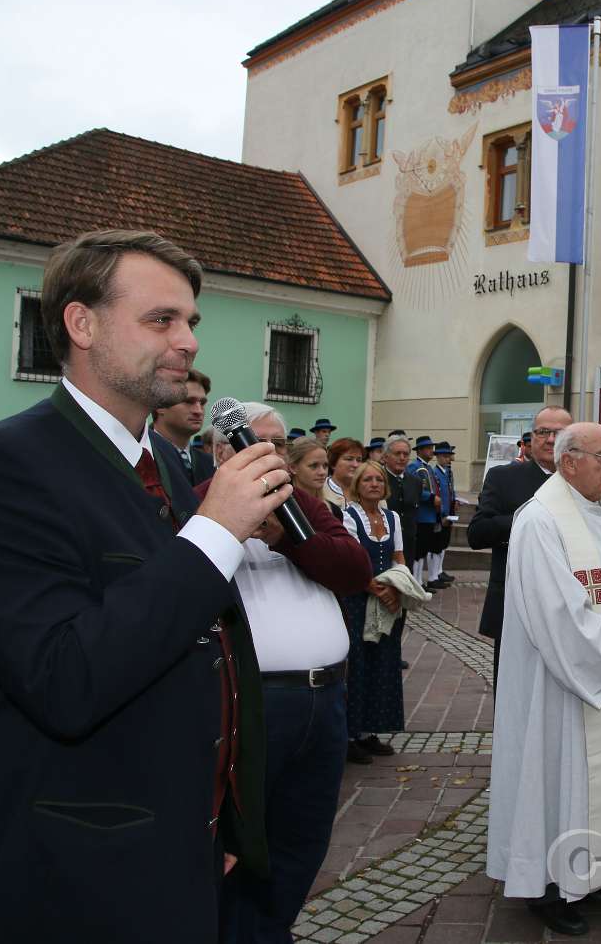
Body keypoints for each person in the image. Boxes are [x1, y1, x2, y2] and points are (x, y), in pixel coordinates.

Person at [0, 229, 290, 941]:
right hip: (74, 871)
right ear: (82, 323)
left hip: (182, 846)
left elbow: (210, 646)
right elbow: (64, 679)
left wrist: (225, 817)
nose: (187, 341)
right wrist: (216, 533)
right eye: (162, 320)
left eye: (191, 321)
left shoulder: (161, 456)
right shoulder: (0, 467)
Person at [204, 403, 371, 944]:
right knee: (240, 837)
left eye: (279, 444)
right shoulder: (201, 504)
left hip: (325, 701)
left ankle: (268, 930)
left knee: (302, 837)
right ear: (222, 451)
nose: (272, 454)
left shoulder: (301, 506)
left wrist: (284, 537)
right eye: (258, 442)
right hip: (252, 704)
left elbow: (353, 569)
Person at [488, 423, 601, 935]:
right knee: (554, 773)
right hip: (560, 686)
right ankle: (546, 884)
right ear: (569, 462)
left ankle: (596, 871)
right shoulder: (541, 520)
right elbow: (557, 615)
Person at [468, 406, 570, 686]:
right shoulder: (504, 478)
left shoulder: (581, 480)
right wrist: (528, 520)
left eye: (558, 433)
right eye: (542, 432)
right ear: (531, 438)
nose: (550, 439)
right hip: (516, 606)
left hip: (569, 609)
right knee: (513, 696)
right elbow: (477, 534)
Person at [339, 461, 412, 765]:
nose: (374, 484)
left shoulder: (392, 517)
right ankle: (350, 735)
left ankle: (372, 730)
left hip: (387, 599)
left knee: (384, 660)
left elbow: (399, 557)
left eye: (379, 480)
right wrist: (376, 588)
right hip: (358, 597)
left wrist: (397, 588)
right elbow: (351, 560)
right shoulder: (349, 516)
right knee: (358, 663)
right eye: (367, 479)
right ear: (357, 485)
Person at [151, 367, 215, 484]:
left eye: (202, 403)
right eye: (188, 401)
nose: (199, 411)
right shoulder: (141, 456)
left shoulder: (210, 464)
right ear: (160, 405)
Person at [382, 437, 422, 577]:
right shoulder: (378, 479)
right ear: (386, 457)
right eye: (397, 453)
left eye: (405, 454)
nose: (402, 458)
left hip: (408, 546)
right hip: (384, 546)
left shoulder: (415, 482)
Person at [406, 437, 441, 586]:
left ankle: (420, 581)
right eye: (427, 448)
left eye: (431, 447)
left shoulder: (427, 467)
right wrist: (431, 497)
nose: (431, 450)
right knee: (418, 551)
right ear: (419, 451)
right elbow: (415, 488)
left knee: (423, 550)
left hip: (430, 514)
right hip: (422, 514)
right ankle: (416, 581)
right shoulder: (415, 466)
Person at [424, 441, 459, 589]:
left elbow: (451, 490)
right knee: (435, 545)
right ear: (437, 457)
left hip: (449, 511)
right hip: (440, 513)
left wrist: (455, 501)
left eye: (448, 456)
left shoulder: (447, 472)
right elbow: (436, 495)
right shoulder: (434, 473)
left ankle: (438, 571)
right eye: (444, 456)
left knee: (443, 543)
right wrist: (442, 514)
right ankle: (433, 575)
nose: (447, 459)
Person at [286, 437, 334, 516]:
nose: (322, 472)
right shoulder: (285, 507)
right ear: (293, 468)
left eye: (325, 466)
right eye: (314, 466)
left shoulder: (333, 510)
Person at [323, 437, 364, 511]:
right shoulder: (320, 490)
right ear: (333, 463)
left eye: (359, 460)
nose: (355, 465)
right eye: (349, 459)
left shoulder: (368, 489)